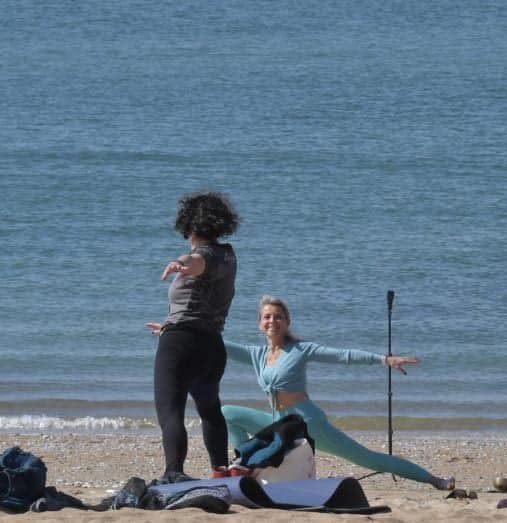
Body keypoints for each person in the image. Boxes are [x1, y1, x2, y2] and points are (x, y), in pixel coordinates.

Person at [221, 295, 455, 490]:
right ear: (259, 322)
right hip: (278, 422)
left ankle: (435, 480)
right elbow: (219, 345)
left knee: (366, 458)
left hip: (306, 423)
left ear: (287, 321)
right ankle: (244, 472)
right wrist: (188, 329)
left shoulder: (301, 350)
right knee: (228, 413)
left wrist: (384, 360)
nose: (273, 321)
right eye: (267, 317)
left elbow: (343, 356)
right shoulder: (257, 354)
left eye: (278, 316)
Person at [144, 191, 239, 482]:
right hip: (211, 346)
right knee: (210, 409)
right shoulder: (229, 255)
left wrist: (180, 263)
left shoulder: (203, 255)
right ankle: (220, 471)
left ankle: (174, 473)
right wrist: (167, 325)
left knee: (170, 412)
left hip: (180, 345)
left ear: (189, 225)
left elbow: (197, 260)